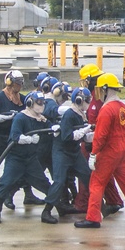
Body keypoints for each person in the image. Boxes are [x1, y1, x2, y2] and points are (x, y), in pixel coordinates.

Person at [75, 72, 125, 229]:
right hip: (123, 149)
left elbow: (101, 136)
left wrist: (93, 154)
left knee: (96, 182)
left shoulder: (107, 110)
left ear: (105, 89)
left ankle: (93, 218)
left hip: (109, 151)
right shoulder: (124, 108)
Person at [0, 93, 50, 222]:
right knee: (5, 185)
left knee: (46, 185)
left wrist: (56, 128)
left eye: (43, 102)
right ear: (30, 103)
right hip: (16, 159)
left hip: (31, 160)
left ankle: (50, 211)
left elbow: (50, 128)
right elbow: (15, 136)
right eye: (39, 102)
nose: (42, 105)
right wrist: (29, 139)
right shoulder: (21, 118)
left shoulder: (41, 119)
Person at [41, 86, 92, 224]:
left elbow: (82, 136)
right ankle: (46, 211)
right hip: (62, 152)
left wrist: (90, 134)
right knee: (59, 181)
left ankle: (96, 206)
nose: (89, 102)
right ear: (80, 100)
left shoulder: (81, 113)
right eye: (87, 100)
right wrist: (85, 130)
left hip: (74, 151)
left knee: (87, 175)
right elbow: (67, 136)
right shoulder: (70, 114)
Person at [80, 64, 124, 215]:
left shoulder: (99, 98)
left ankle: (87, 204)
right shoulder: (96, 95)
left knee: (91, 173)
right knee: (104, 173)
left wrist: (93, 147)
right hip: (99, 140)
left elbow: (99, 124)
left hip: (97, 141)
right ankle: (112, 200)